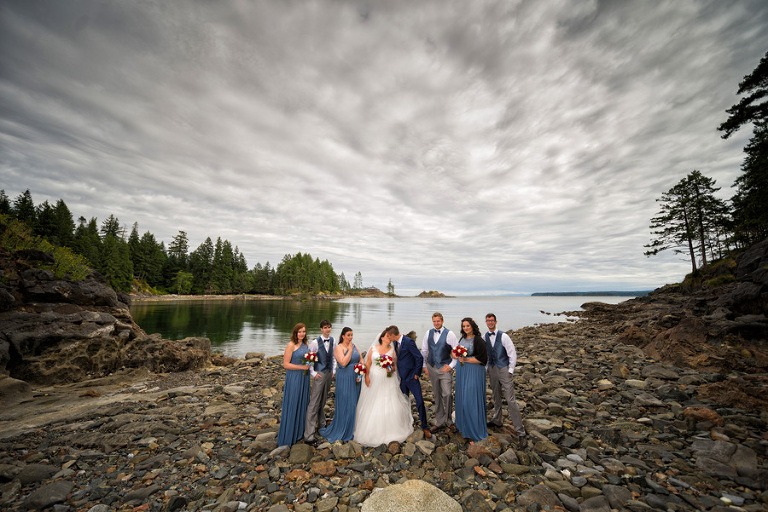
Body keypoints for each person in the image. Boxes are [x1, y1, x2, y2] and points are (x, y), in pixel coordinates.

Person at [353, 329, 414, 446]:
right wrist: (366, 377)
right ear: (381, 338)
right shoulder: (374, 348)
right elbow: (368, 363)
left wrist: (390, 368)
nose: (389, 338)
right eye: (387, 336)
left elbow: (394, 367)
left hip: (387, 379)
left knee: (388, 400)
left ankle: (392, 430)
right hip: (374, 378)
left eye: (390, 337)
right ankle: (371, 431)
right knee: (373, 402)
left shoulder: (392, 351)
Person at [485, 313, 527, 446]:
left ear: (496, 322)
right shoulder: (484, 337)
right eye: (488, 321)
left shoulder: (503, 336)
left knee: (510, 400)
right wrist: (486, 368)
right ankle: (497, 419)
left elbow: (512, 353)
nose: (490, 323)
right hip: (492, 370)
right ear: (486, 322)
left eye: (492, 320)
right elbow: (485, 355)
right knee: (496, 397)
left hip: (504, 369)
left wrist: (510, 370)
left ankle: (521, 432)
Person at [386, 325, 431, 439]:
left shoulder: (409, 341)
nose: (388, 338)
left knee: (419, 401)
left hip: (411, 377)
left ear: (392, 335)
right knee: (403, 402)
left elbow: (419, 358)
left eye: (389, 336)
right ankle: (405, 425)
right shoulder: (396, 343)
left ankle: (425, 427)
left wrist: (416, 374)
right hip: (401, 378)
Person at [319, 327, 361, 442]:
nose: (351, 337)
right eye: (348, 335)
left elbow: (361, 361)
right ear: (343, 336)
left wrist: (361, 373)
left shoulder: (354, 345)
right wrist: (350, 351)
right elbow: (343, 362)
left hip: (356, 378)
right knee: (347, 403)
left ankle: (354, 428)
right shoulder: (339, 348)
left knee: (355, 402)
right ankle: (343, 429)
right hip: (345, 378)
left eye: (352, 335)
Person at [421, 312, 458, 432]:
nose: (436, 323)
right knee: (436, 394)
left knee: (447, 394)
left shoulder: (450, 334)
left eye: (438, 321)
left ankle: (448, 420)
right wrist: (424, 366)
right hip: (432, 367)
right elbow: (424, 350)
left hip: (444, 368)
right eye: (434, 321)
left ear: (442, 321)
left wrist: (451, 366)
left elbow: (457, 352)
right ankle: (439, 421)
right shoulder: (428, 333)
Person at [453, 317, 488, 442]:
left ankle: (475, 431)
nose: (465, 328)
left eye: (467, 326)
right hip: (463, 371)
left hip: (474, 371)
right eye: (463, 326)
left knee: (471, 399)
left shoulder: (478, 340)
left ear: (472, 326)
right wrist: (455, 354)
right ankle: (463, 427)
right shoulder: (462, 338)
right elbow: (457, 353)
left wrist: (466, 359)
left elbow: (483, 359)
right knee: (462, 398)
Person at [277, 323, 312, 447]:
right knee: (293, 402)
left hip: (304, 378)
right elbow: (286, 364)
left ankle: (299, 432)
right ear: (295, 333)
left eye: (304, 331)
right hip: (294, 378)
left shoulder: (306, 345)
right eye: (300, 332)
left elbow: (309, 360)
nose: (302, 334)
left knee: (303, 402)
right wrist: (302, 367)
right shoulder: (291, 345)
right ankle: (289, 434)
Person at [304, 319, 336, 445]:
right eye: (325, 327)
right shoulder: (314, 343)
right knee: (314, 403)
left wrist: (333, 370)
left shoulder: (333, 341)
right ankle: (309, 435)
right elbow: (309, 359)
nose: (328, 329)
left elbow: (333, 357)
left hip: (328, 373)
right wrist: (313, 373)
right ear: (321, 329)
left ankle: (321, 425)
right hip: (319, 373)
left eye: (329, 327)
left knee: (323, 400)